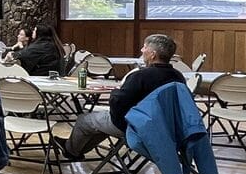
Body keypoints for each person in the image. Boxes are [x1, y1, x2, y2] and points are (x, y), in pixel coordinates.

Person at [57, 34, 185, 160]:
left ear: (153, 54)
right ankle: (74, 148)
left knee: (84, 119)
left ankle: (71, 151)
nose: (141, 50)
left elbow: (118, 102)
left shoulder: (140, 76)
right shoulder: (178, 77)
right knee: (99, 123)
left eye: (144, 47)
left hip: (134, 125)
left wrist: (115, 92)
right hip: (166, 127)